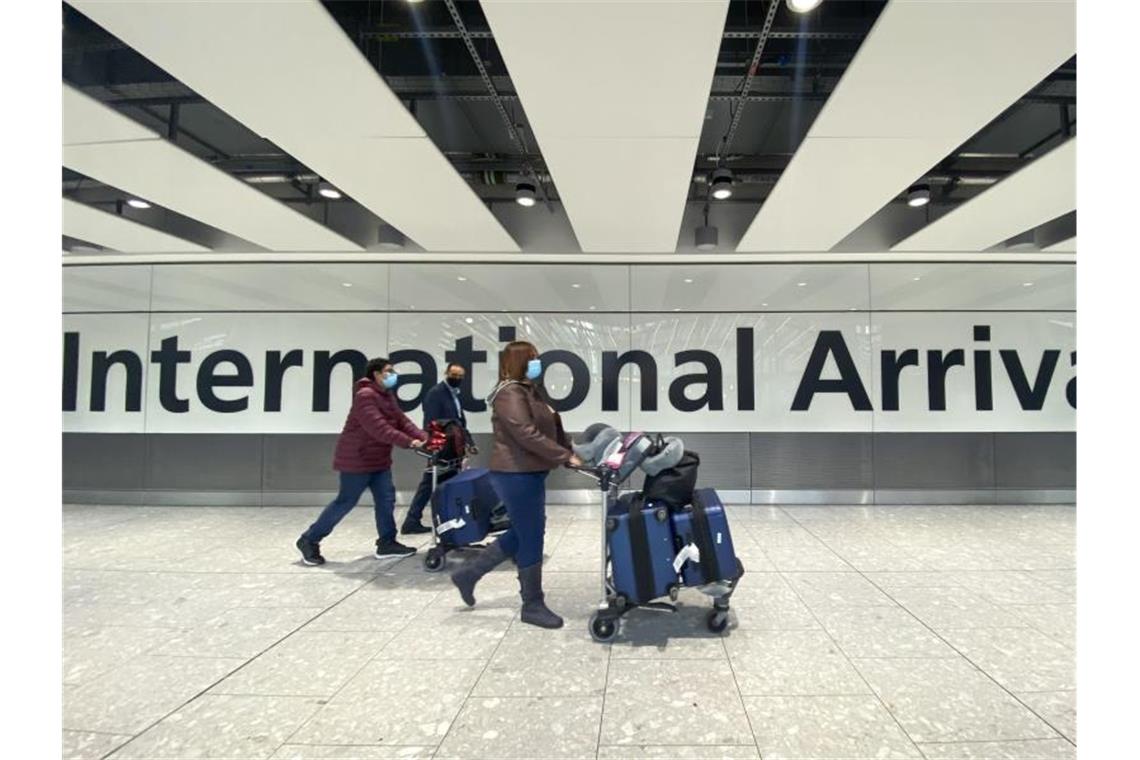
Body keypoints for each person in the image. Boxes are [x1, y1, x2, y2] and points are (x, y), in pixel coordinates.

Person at [449, 340, 582, 628]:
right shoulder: (509, 393)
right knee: (532, 535)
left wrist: (571, 448)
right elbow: (526, 434)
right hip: (515, 474)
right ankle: (531, 604)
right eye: (532, 357)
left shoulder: (530, 390)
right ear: (520, 361)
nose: (538, 362)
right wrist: (564, 456)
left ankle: (469, 574)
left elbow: (551, 424)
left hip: (530, 471)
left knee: (524, 531)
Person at [296, 357, 427, 565]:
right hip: (357, 460)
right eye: (388, 371)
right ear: (375, 374)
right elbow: (379, 428)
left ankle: (387, 542)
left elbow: (402, 420)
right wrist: (410, 442)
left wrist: (423, 437)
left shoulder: (386, 395)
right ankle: (309, 539)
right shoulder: (365, 396)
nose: (394, 375)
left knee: (386, 499)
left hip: (379, 460)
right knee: (345, 502)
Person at [401, 362, 468, 535]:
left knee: (444, 482)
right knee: (430, 482)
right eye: (454, 375)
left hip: (454, 445)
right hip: (442, 446)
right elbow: (431, 422)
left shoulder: (454, 394)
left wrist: (466, 442)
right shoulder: (436, 393)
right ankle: (412, 520)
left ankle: (438, 519)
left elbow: (458, 420)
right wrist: (436, 446)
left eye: (460, 376)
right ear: (446, 373)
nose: (457, 379)